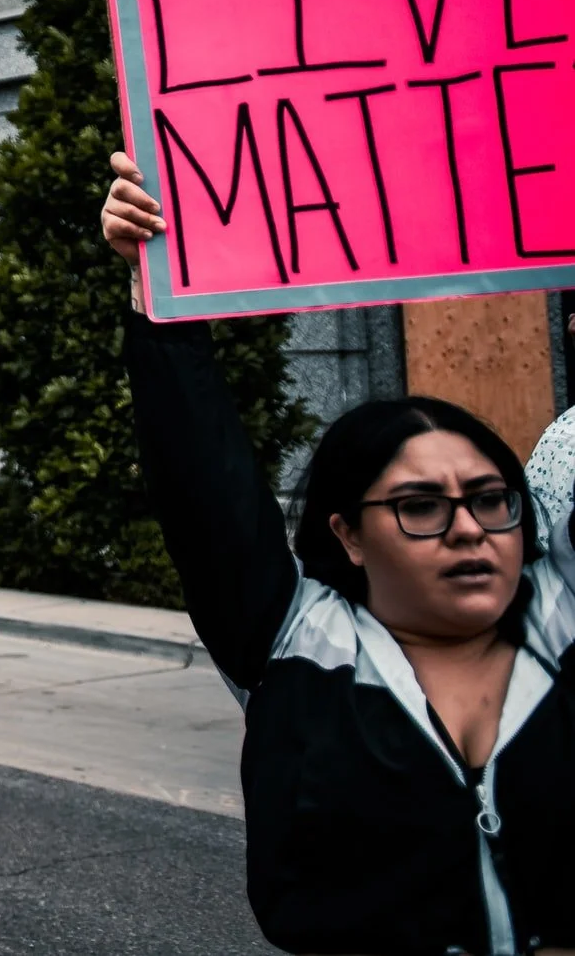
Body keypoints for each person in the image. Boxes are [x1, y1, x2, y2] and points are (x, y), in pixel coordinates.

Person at [101, 152, 575, 952]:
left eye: (491, 499)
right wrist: (159, 285)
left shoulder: (561, 618)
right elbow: (197, 468)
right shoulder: (293, 639)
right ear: (346, 533)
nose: (468, 528)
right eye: (420, 505)